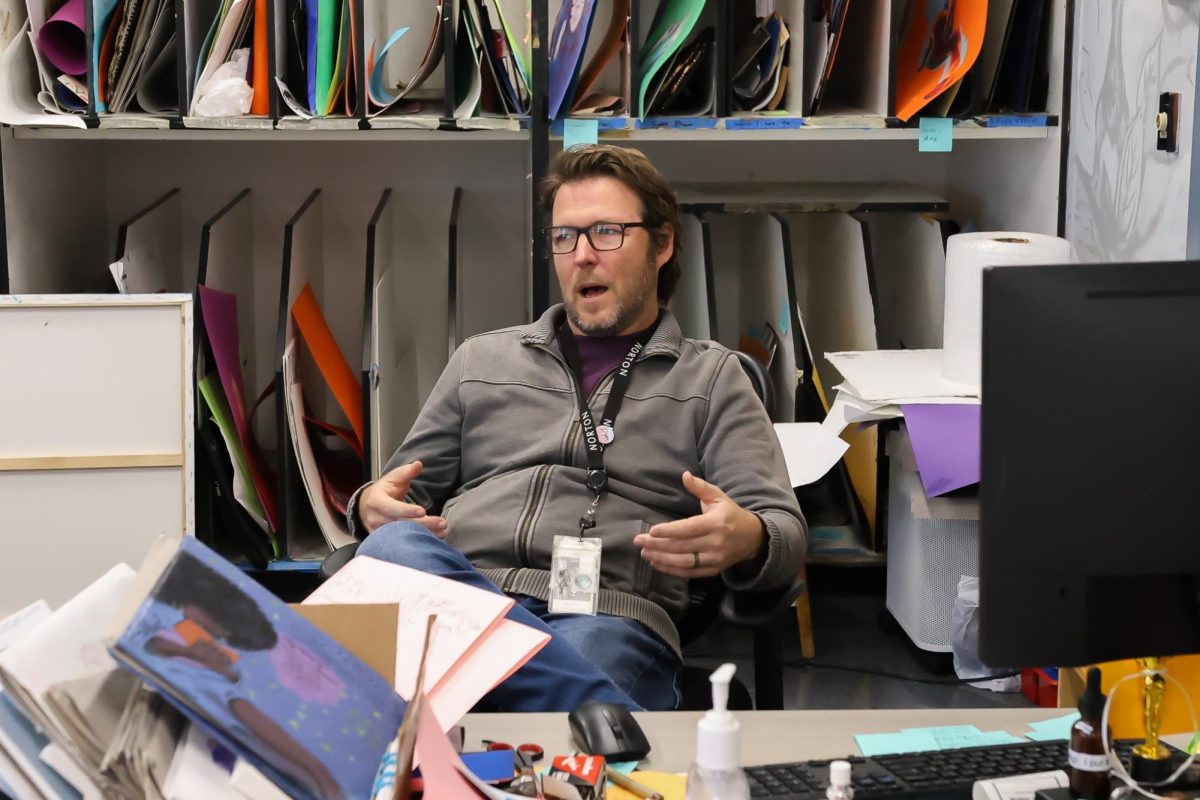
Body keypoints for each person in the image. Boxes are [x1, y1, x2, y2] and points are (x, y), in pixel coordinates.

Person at [347, 144, 806, 712]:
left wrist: (749, 537)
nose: (582, 256)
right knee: (395, 545)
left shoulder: (712, 377)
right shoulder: (480, 361)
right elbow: (397, 494)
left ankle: (494, 699)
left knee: (421, 698)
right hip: (468, 592)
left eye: (606, 232)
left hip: (605, 613)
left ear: (662, 244)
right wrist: (370, 504)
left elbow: (783, 531)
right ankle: (582, 712)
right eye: (565, 237)